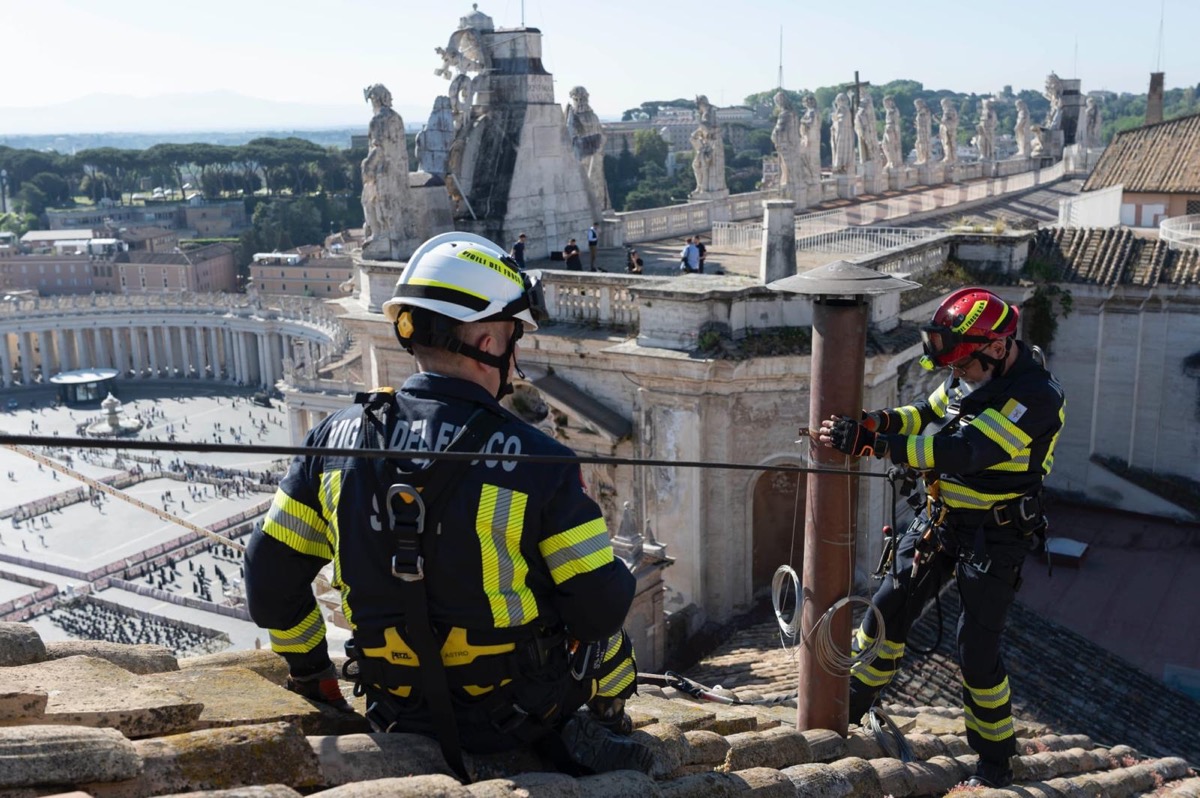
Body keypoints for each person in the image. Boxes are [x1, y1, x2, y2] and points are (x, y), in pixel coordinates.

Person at [245, 232, 646, 780]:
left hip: (395, 710)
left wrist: (316, 676)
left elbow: (268, 578)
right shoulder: (541, 460)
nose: (515, 356)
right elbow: (598, 610)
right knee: (606, 624)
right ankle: (611, 727)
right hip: (518, 719)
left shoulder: (332, 439)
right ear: (487, 342)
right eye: (513, 339)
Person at [817, 287, 1065, 790]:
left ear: (997, 348)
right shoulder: (969, 370)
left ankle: (995, 761)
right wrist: (880, 421)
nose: (956, 374)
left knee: (975, 651)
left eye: (962, 365)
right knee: (884, 612)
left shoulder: (1037, 398)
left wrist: (876, 445)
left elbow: (965, 450)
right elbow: (928, 414)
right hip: (942, 519)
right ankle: (850, 706)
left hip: (997, 535)